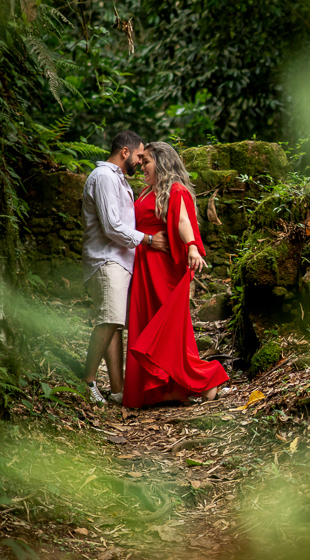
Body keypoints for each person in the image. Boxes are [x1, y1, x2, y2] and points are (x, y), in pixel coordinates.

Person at [123, 141, 229, 407]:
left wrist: (192, 247)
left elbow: (183, 221)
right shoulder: (149, 191)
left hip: (163, 269)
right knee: (148, 324)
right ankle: (168, 389)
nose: (141, 165)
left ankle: (208, 377)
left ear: (162, 162)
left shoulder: (175, 190)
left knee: (169, 331)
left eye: (146, 161)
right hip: (145, 267)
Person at [80, 131, 167, 403]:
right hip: (107, 259)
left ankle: (117, 391)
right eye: (140, 156)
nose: (142, 162)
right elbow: (112, 226)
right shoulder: (105, 177)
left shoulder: (117, 179)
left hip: (120, 261)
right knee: (109, 319)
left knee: (115, 324)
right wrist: (150, 240)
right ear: (125, 152)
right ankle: (88, 381)